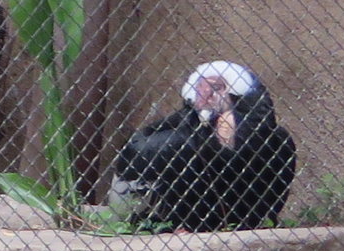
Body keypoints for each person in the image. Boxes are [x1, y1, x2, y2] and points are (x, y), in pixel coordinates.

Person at [107, 59, 296, 231]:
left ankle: (243, 225)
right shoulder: (175, 139)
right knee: (182, 146)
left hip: (240, 221)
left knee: (281, 143)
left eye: (217, 88)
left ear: (232, 92)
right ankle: (179, 225)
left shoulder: (272, 141)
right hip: (177, 223)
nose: (207, 96)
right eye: (202, 88)